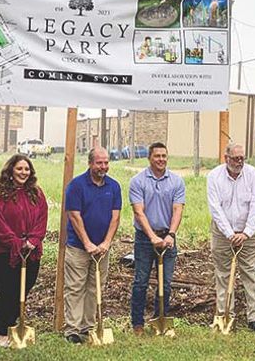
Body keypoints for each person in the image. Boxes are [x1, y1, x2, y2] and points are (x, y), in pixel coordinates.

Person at [0, 154, 48, 347]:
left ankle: (14, 326)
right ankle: (2, 332)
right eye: (19, 169)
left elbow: (42, 219)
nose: (23, 172)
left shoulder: (36, 193)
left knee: (23, 289)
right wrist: (17, 243)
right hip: (0, 251)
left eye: (27, 169)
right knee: (8, 291)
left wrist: (33, 241)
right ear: (10, 170)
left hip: (31, 250)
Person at [63, 147, 121, 344]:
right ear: (90, 163)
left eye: (106, 163)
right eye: (99, 163)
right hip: (79, 247)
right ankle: (72, 329)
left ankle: (88, 327)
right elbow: (74, 215)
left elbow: (115, 217)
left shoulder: (114, 186)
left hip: (102, 249)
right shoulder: (76, 186)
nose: (103, 166)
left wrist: (106, 243)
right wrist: (87, 243)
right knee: (75, 287)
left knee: (95, 288)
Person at [207, 144, 255, 332]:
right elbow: (215, 207)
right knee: (223, 274)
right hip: (222, 233)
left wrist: (246, 232)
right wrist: (229, 234)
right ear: (226, 158)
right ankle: (225, 315)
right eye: (235, 158)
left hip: (248, 234)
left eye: (242, 158)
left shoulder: (253, 174)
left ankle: (254, 318)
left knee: (250, 272)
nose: (239, 162)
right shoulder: (214, 176)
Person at [129, 142, 185, 336]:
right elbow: (138, 212)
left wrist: (171, 234)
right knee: (141, 282)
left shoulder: (176, 181)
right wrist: (152, 237)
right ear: (149, 158)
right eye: (157, 156)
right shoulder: (138, 181)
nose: (161, 159)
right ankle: (137, 323)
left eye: (163, 156)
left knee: (165, 283)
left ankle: (159, 319)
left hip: (167, 237)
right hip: (145, 238)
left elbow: (178, 209)